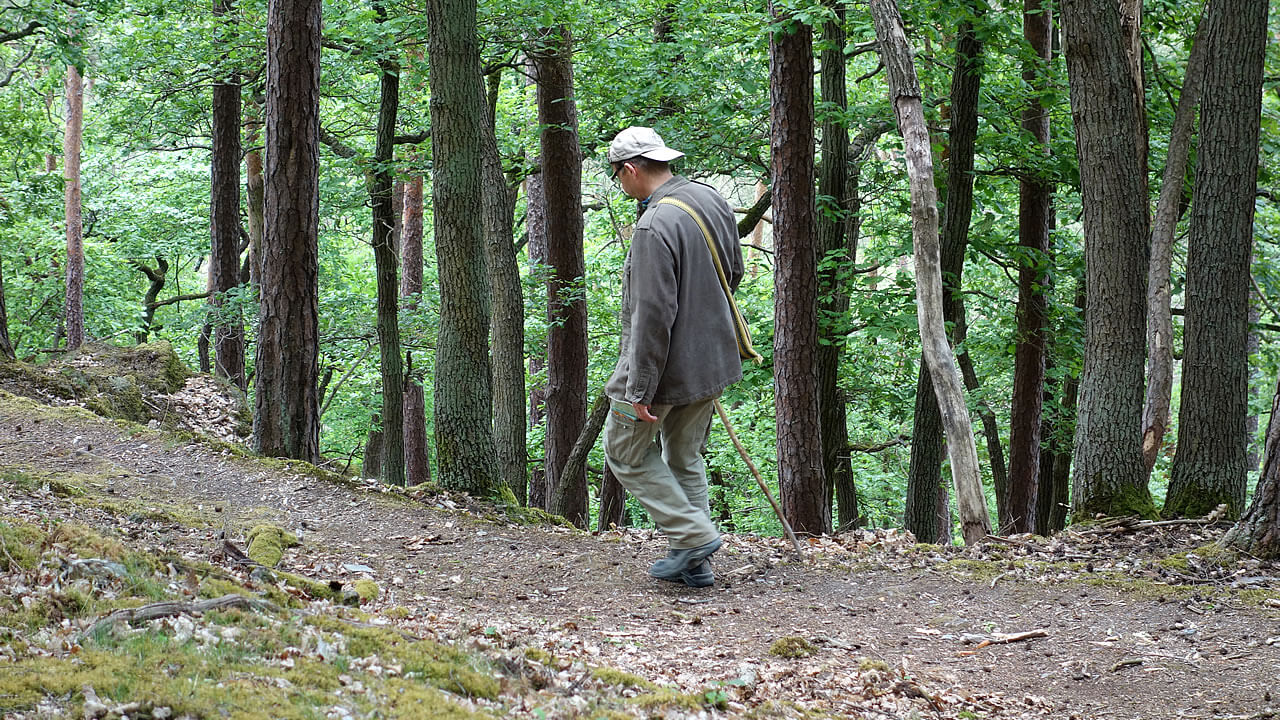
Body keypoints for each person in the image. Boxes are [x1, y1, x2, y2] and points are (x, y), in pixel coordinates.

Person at [602, 126, 745, 588]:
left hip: (664, 372)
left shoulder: (652, 225)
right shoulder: (710, 199)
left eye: (618, 177)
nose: (621, 186)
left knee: (623, 451)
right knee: (684, 456)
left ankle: (694, 535)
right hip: (714, 360)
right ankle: (694, 565)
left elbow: (651, 317)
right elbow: (734, 272)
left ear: (630, 169)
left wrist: (638, 389)